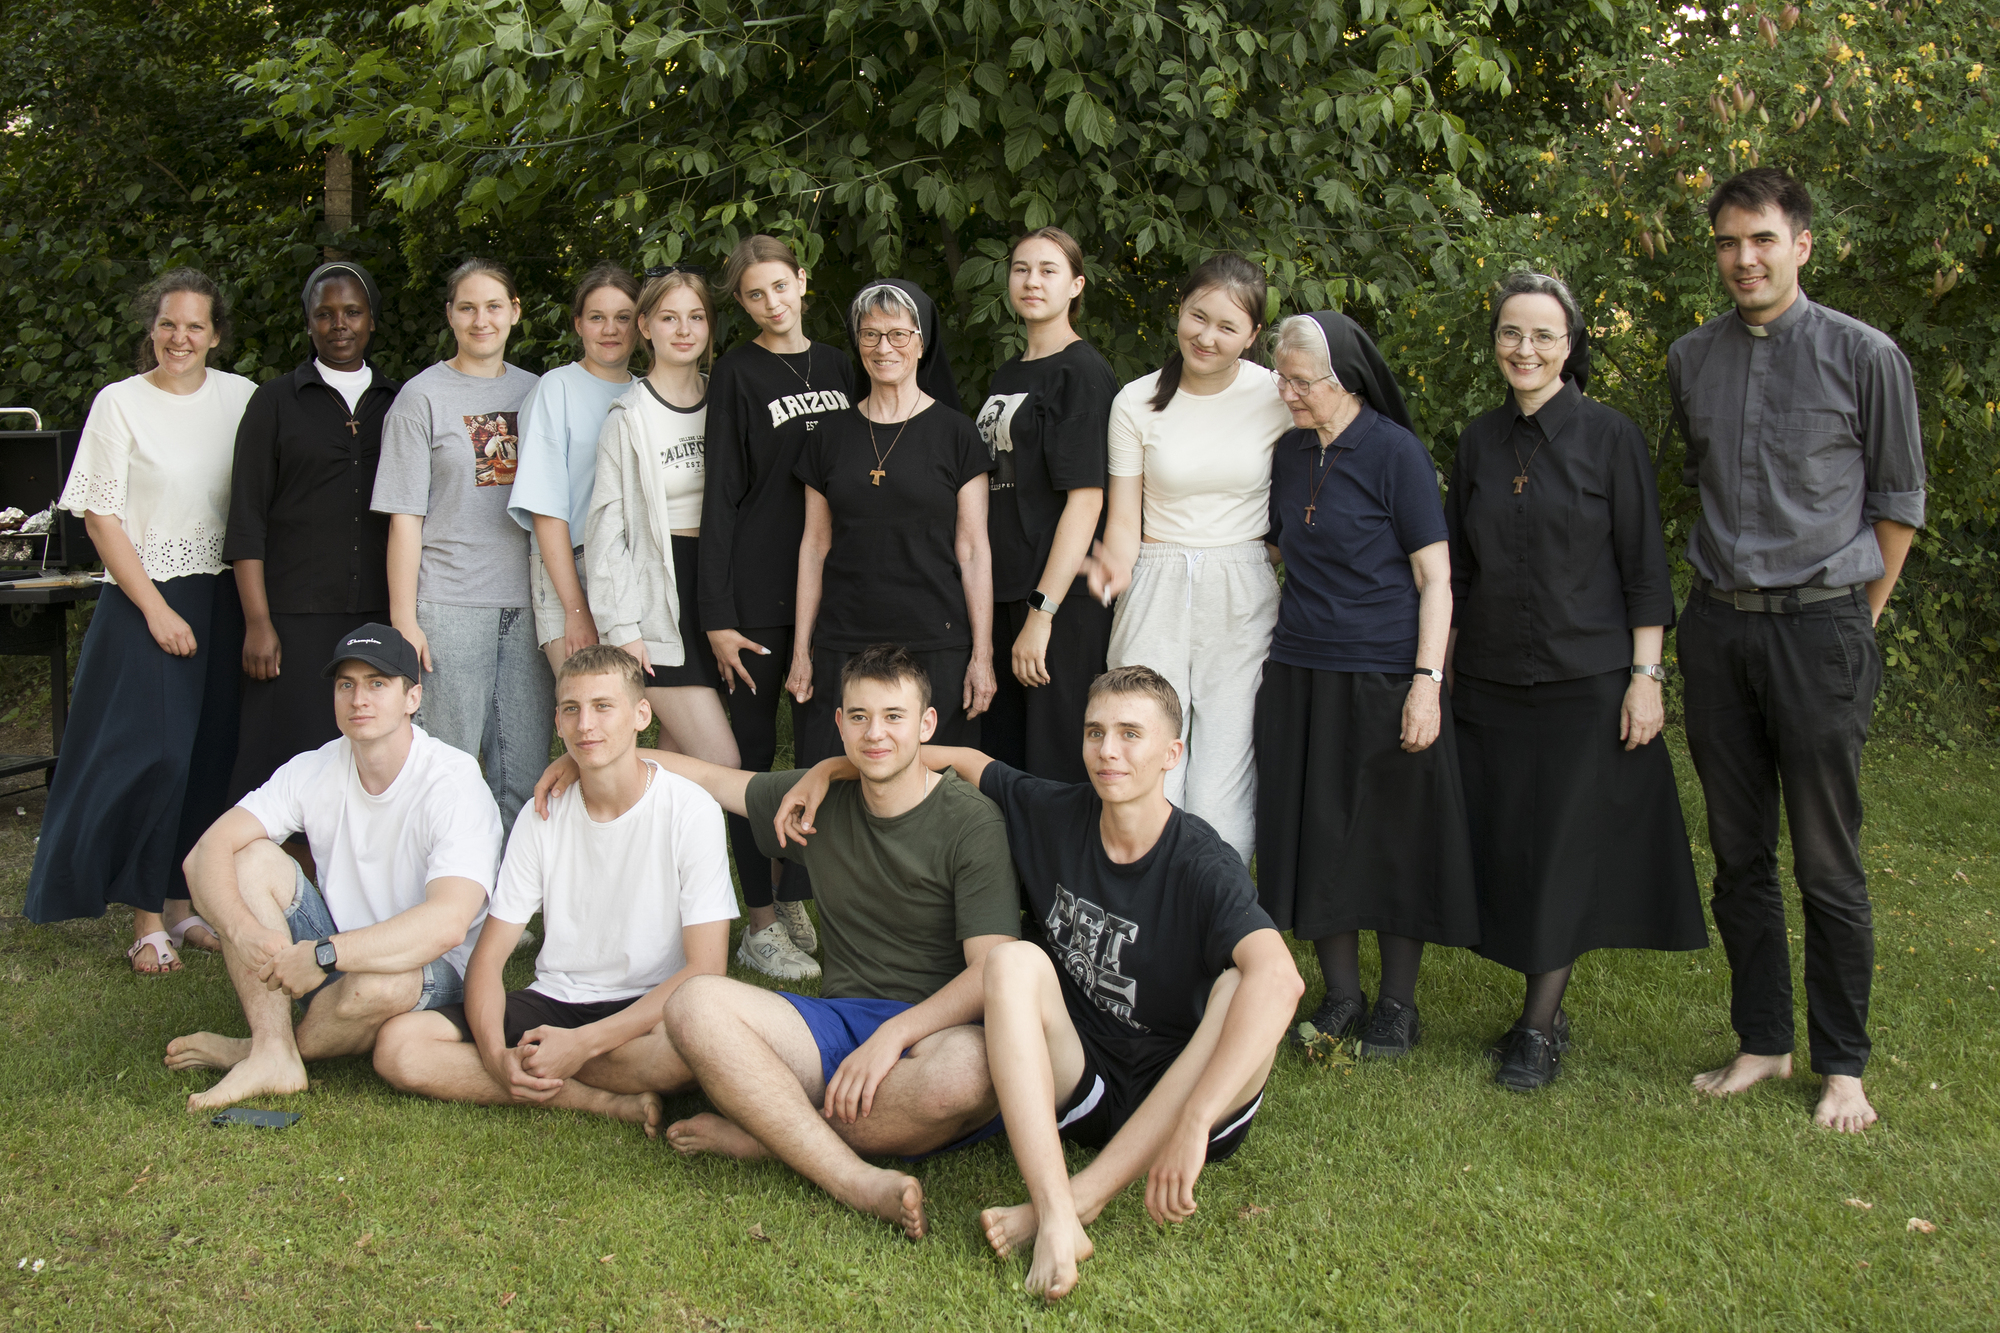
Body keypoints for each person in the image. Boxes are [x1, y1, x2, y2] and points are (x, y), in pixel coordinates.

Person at [777, 665, 1303, 1301]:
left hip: (1192, 1095)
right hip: (1084, 1087)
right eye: (1095, 731)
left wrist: (1194, 1120)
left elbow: (1282, 982)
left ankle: (1077, 1203)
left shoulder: (1202, 862)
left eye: (1131, 734)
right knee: (1009, 961)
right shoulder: (1055, 812)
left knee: (1238, 984)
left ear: (1172, 753)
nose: (1108, 751)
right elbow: (960, 759)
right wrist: (830, 770)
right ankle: (1055, 1211)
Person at [535, 644, 1020, 1238]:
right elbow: (714, 778)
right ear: (838, 723)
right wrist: (596, 760)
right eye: (860, 717)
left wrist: (896, 1034)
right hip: (834, 1024)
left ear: (926, 725)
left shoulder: (971, 821)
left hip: (934, 1034)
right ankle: (846, 1172)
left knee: (972, 1073)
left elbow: (991, 973)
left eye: (894, 717)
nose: (876, 734)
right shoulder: (816, 798)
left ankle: (769, 1131)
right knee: (696, 1003)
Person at [1672, 168, 1924, 1133]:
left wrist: (1857, 617)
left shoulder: (1866, 356)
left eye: (1762, 240)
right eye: (1729, 243)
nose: (1744, 259)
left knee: (1827, 857)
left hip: (1823, 627)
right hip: (1720, 626)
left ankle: (1844, 1065)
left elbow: (1897, 503)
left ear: (1802, 244)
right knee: (1739, 852)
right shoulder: (1691, 357)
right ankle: (1763, 1042)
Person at [1446, 272, 1708, 1092]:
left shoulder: (1610, 437)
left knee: (1562, 847)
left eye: (1544, 336)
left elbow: (1644, 569)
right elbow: (1455, 571)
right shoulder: (1477, 442)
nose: (1525, 350)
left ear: (1571, 345)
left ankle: (1537, 1024)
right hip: (1488, 680)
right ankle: (1538, 1011)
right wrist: (1439, 675)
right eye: (1511, 333)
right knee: (1505, 843)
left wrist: (1646, 674)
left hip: (1585, 677)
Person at [371, 645, 736, 1129]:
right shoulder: (542, 813)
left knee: (690, 1050)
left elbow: (705, 968)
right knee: (398, 1047)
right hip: (556, 1001)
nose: (586, 725)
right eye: (571, 710)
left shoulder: (691, 810)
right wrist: (493, 1056)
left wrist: (583, 1043)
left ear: (640, 715)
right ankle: (597, 1099)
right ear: (558, 722)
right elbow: (489, 958)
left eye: (603, 707)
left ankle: (551, 1062)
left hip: (651, 1005)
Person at [1253, 311, 1477, 1059]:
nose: (1285, 391)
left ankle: (1399, 1006)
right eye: (1281, 376)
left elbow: (1435, 576)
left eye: (1299, 380)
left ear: (1343, 379)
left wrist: (1427, 682)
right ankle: (1342, 995)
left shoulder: (1395, 452)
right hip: (1301, 670)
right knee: (1318, 834)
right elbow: (1282, 546)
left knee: (1392, 839)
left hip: (1384, 670)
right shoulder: (1289, 454)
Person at [164, 624, 501, 1112]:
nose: (358, 698)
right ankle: (272, 1052)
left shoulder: (452, 780)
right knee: (248, 858)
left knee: (376, 984)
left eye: (377, 683)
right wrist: (242, 931)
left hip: (434, 970)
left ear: (413, 697)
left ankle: (261, 1049)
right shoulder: (315, 767)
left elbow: (447, 923)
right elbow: (205, 853)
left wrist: (323, 954)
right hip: (335, 954)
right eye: (346, 685)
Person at [24, 268, 255, 972]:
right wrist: (155, 609)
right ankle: (145, 919)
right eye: (167, 323)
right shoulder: (119, 404)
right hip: (146, 598)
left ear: (216, 335)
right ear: (150, 330)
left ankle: (184, 907)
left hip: (224, 596)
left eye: (194, 325)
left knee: (211, 753)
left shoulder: (243, 399)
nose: (179, 337)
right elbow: (101, 517)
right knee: (157, 755)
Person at [1082, 253, 1294, 862]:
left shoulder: (1274, 395)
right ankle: (1142, 896)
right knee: (1141, 747)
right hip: (1156, 581)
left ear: (1252, 337)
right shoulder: (1135, 401)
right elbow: (1125, 520)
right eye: (1197, 317)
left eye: (1227, 327)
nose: (1207, 336)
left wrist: (1268, 554)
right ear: (1179, 310)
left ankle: (1218, 915)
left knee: (1224, 764)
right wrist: (1114, 569)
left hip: (1243, 585)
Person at [697, 235, 856, 979]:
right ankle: (757, 918)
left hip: (831, 587)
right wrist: (718, 613)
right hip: (758, 594)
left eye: (779, 287)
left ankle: (795, 888)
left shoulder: (840, 363)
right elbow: (722, 495)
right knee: (755, 761)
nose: (771, 303)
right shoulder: (737, 373)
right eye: (754, 295)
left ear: (802, 280)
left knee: (824, 750)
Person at [372, 259, 548, 832]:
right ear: (450, 314)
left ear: (515, 312)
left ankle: (504, 911)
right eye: (467, 307)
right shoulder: (420, 399)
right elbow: (404, 519)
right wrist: (405, 620)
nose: (481, 319)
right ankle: (444, 908)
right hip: (447, 604)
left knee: (521, 772)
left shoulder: (539, 393)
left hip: (529, 606)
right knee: (446, 770)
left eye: (493, 306)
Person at [787, 281, 995, 765]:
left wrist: (982, 656)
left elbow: (974, 550)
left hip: (936, 639)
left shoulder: (956, 434)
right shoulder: (829, 437)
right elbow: (814, 547)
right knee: (835, 781)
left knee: (942, 785)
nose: (884, 348)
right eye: (871, 335)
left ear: (922, 344)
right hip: (844, 641)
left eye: (899, 335)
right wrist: (802, 650)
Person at [225, 260, 400, 803]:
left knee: (369, 755)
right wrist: (258, 622)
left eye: (352, 311)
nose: (339, 324)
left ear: (371, 320)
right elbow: (246, 519)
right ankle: (268, 878)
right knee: (282, 759)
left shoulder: (401, 403)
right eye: (324, 314)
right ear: (308, 324)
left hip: (378, 611)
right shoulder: (275, 402)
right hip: (292, 616)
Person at [584, 269, 743, 790]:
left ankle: (650, 865)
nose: (684, 330)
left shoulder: (726, 400)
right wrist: (623, 631)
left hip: (717, 590)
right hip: (658, 600)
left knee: (678, 777)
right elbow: (607, 538)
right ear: (646, 325)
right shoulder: (628, 417)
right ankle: (588, 772)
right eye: (670, 318)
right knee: (720, 759)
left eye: (696, 317)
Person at [976, 227, 1119, 783]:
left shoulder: (1081, 373)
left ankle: (1067, 873)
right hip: (1008, 591)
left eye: (1048, 270)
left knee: (1059, 764)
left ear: (1075, 285)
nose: (1031, 280)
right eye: (1020, 268)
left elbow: (1086, 502)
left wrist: (1042, 615)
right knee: (1007, 761)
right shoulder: (1008, 375)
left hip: (1058, 603)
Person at [509, 263, 640, 675]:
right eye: (597, 317)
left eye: (623, 318)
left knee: (649, 703)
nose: (610, 329)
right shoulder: (556, 388)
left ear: (642, 325)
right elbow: (546, 508)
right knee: (588, 708)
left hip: (632, 566)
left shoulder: (647, 393)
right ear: (579, 324)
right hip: (571, 567)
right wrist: (575, 607)